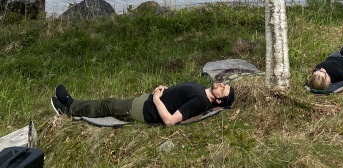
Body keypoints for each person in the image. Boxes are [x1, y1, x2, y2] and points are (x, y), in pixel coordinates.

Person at [50, 79, 235, 126]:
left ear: (219, 99)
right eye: (223, 84)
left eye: (222, 89)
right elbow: (178, 98)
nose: (220, 84)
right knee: (108, 103)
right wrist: (164, 91)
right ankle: (73, 104)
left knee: (107, 105)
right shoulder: (202, 92)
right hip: (147, 101)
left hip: (145, 110)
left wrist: (156, 98)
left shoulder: (200, 101)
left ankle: (69, 108)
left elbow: (170, 121)